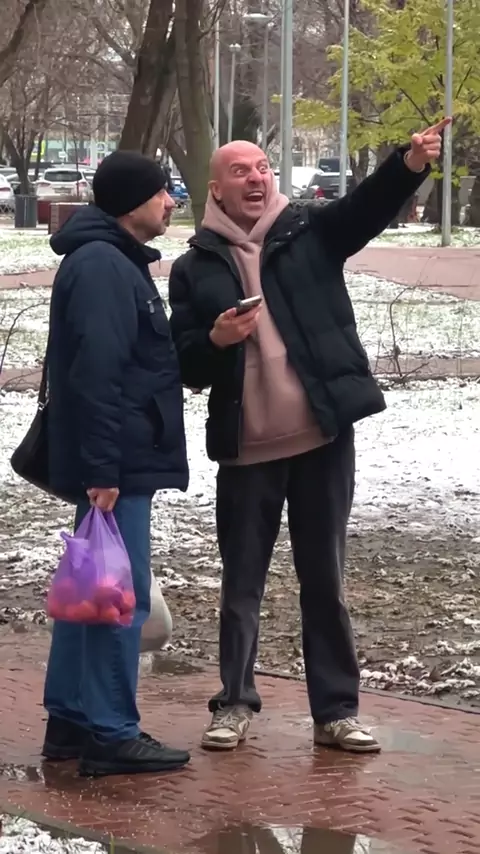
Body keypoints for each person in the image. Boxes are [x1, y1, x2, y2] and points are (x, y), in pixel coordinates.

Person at [169, 120, 449, 752]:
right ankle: (234, 703)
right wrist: (214, 339)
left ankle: (336, 712)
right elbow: (184, 361)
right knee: (242, 585)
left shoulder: (309, 232)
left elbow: (365, 210)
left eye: (262, 168)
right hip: (248, 449)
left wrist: (407, 164)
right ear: (215, 190)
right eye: (240, 171)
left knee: (325, 581)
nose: (256, 178)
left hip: (322, 439)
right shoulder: (193, 267)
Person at [42, 151, 191, 777]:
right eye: (162, 192)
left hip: (115, 458)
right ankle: (110, 732)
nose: (170, 202)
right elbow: (98, 374)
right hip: (118, 464)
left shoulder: (107, 259)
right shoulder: (105, 265)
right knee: (115, 597)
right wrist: (103, 470)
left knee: (90, 588)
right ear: (133, 202)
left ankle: (71, 721)